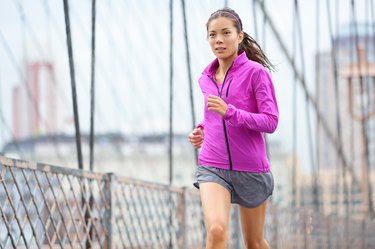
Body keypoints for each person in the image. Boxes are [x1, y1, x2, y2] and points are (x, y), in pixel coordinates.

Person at [188, 7, 279, 249]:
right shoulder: (205, 78)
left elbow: (271, 121)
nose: (218, 40)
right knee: (217, 231)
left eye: (226, 33)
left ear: (239, 36)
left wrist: (230, 112)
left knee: (254, 242)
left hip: (251, 168)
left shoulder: (256, 74)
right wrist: (201, 130)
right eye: (212, 35)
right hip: (213, 166)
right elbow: (212, 116)